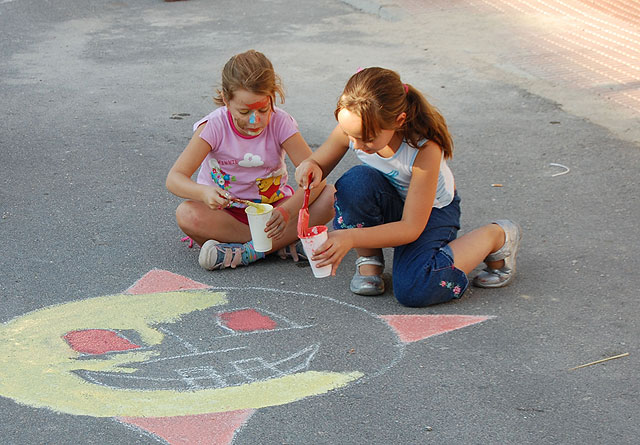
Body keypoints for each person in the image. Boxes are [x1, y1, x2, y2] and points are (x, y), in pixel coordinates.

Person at [295, 67, 522, 307]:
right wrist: (310, 166)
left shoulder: (425, 148)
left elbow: (412, 227)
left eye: (367, 138)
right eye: (351, 136)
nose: (357, 145)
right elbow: (318, 162)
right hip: (392, 199)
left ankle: (496, 235)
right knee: (355, 183)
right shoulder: (356, 126)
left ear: (398, 121)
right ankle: (369, 261)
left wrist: (349, 237)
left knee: (416, 288)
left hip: (432, 212)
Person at [166, 50, 334, 270]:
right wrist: (203, 193)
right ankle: (278, 246)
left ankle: (246, 252)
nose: (255, 120)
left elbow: (316, 178)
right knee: (187, 214)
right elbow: (174, 178)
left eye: (263, 109)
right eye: (244, 112)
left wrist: (287, 211)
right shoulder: (214, 126)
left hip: (274, 211)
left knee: (330, 197)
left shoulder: (281, 122)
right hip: (227, 214)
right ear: (226, 100)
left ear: (272, 96)